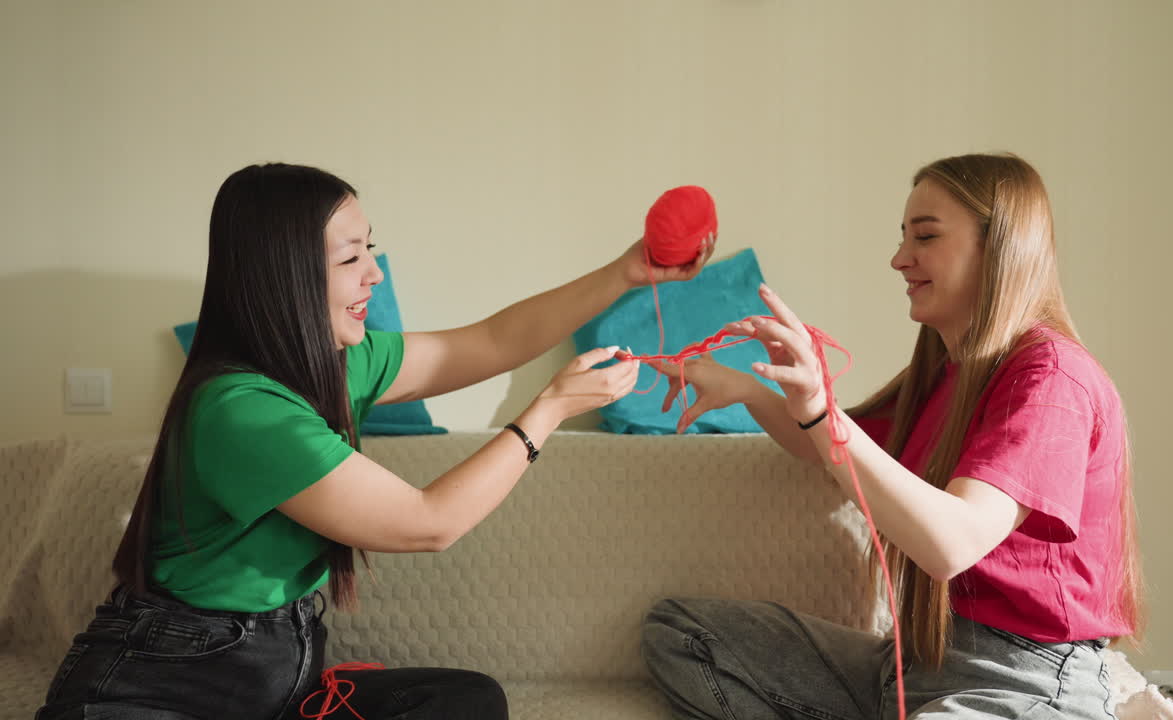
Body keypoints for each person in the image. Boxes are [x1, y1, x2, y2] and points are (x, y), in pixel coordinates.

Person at [36, 162, 713, 720]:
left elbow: (493, 341)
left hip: (275, 684)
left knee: (464, 703)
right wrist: (547, 412)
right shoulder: (241, 412)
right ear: (288, 274)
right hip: (159, 692)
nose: (375, 275)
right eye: (352, 257)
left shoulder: (333, 365)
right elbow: (429, 524)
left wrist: (626, 272)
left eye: (372, 250)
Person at [642, 153, 1144, 719]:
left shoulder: (1051, 379)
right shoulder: (944, 377)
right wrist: (750, 389)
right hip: (913, 665)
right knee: (682, 631)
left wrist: (820, 410)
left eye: (924, 237)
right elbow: (830, 450)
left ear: (1000, 247)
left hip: (1026, 680)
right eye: (903, 237)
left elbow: (951, 544)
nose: (899, 259)